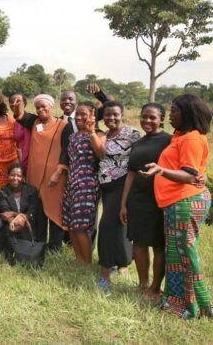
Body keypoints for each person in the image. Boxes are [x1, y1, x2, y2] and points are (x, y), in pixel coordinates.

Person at [140, 94, 213, 319]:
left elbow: (189, 174)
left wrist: (161, 170)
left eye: (174, 111)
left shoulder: (191, 138)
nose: (170, 114)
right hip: (176, 201)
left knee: (185, 253)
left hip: (186, 201)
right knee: (176, 253)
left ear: (187, 113)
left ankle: (199, 306)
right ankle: (175, 302)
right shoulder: (180, 136)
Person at [118, 103, 172, 298]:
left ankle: (156, 287)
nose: (147, 121)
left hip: (159, 199)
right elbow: (131, 175)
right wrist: (124, 203)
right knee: (139, 242)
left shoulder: (169, 141)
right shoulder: (138, 143)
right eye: (144, 117)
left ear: (162, 120)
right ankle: (143, 284)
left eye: (152, 117)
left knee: (158, 244)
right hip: (137, 199)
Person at [90, 100, 141, 292]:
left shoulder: (132, 134)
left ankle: (105, 272)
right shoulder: (104, 135)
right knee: (120, 225)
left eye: (115, 114)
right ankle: (122, 264)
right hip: (107, 186)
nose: (111, 118)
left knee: (107, 226)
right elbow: (101, 155)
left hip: (124, 184)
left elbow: (141, 156)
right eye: (107, 115)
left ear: (122, 115)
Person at [14, 94, 69, 252]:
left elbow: (67, 150)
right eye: (38, 107)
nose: (40, 109)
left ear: (52, 107)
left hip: (55, 177)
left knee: (55, 210)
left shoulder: (63, 125)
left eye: (44, 106)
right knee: (37, 210)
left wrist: (59, 172)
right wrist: (18, 104)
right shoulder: (34, 122)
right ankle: (39, 243)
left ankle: (55, 247)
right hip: (35, 175)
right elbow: (20, 116)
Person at [60, 102, 100, 265]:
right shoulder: (73, 136)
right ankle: (79, 260)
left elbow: (102, 153)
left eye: (84, 114)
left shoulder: (99, 134)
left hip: (87, 183)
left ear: (93, 116)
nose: (79, 118)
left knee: (81, 225)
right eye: (77, 114)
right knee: (71, 224)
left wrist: (91, 133)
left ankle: (87, 263)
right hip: (72, 182)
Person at [0, 163, 40, 251]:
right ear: (8, 176)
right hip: (10, 224)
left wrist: (19, 218)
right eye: (12, 175)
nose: (15, 178)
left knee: (27, 243)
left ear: (23, 178)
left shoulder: (32, 190)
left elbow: (31, 211)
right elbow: (6, 211)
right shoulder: (2, 191)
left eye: (19, 176)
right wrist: (14, 221)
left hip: (27, 223)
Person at [9, 93, 31, 171]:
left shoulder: (28, 120)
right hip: (20, 158)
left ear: (24, 103)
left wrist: (23, 165)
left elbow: (27, 145)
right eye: (12, 102)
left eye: (18, 101)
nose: (14, 104)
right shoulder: (15, 121)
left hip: (28, 161)